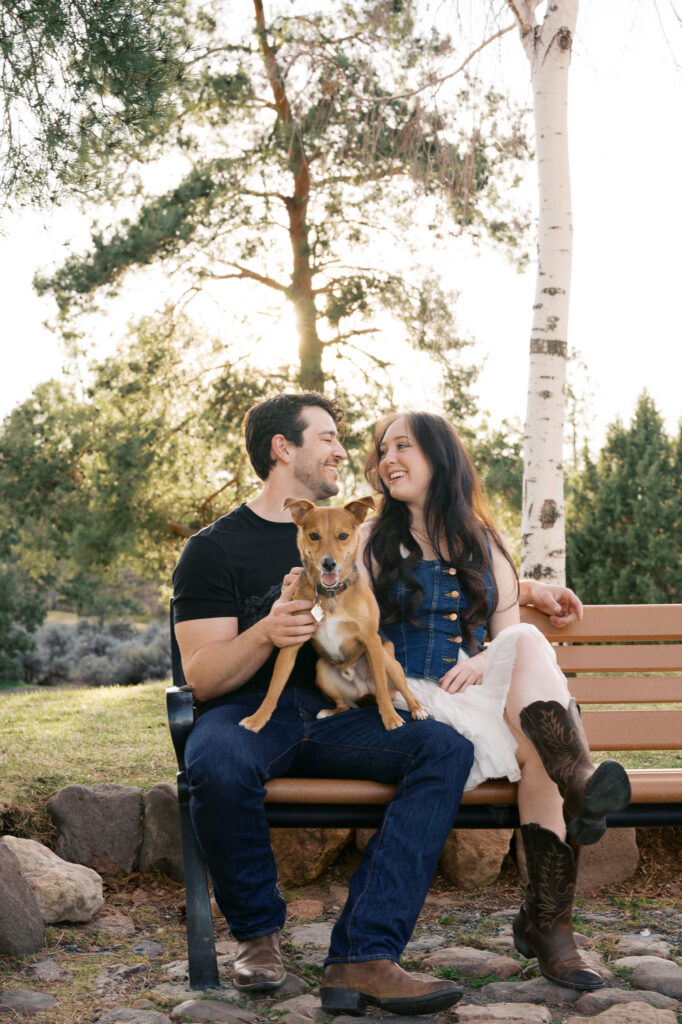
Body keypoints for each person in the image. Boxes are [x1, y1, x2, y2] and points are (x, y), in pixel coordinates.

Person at [172, 392, 585, 1015]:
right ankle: (257, 934)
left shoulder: (351, 528)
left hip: (345, 712)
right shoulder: (213, 549)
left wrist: (527, 587)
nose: (346, 451)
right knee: (217, 759)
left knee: (443, 748)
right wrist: (267, 631)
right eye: (329, 439)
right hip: (252, 713)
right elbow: (199, 677)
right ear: (284, 449)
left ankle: (365, 953)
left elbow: (431, 566)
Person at [361, 410, 632, 991]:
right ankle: (579, 783)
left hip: (482, 697)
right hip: (419, 704)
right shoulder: (371, 540)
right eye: (382, 450)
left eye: (403, 446)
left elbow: (509, 634)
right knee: (545, 733)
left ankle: (552, 925)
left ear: (441, 457)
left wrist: (486, 658)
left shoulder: (483, 540)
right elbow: (349, 625)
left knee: (530, 680)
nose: (388, 460)